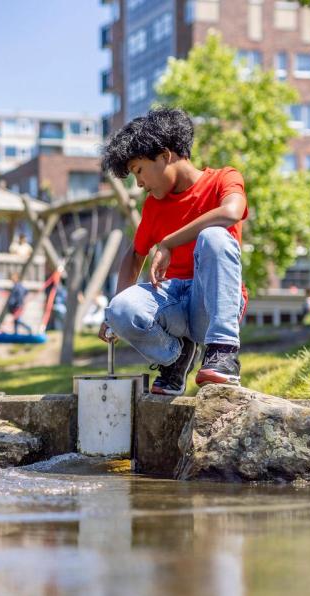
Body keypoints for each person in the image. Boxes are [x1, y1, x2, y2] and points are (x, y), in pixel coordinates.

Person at [100, 107, 249, 396]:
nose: (140, 184)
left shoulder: (223, 179)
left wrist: (168, 242)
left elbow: (232, 212)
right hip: (175, 305)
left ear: (165, 156)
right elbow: (134, 255)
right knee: (119, 309)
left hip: (211, 303)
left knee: (215, 237)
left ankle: (223, 352)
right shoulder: (154, 205)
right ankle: (176, 357)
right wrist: (111, 319)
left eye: (139, 171)